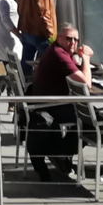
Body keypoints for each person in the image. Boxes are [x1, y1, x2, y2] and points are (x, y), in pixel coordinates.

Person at [27, 23, 91, 182]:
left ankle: (60, 152)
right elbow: (86, 84)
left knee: (89, 116)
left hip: (50, 102)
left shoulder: (60, 51)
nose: (73, 43)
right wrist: (86, 58)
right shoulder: (58, 54)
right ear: (59, 38)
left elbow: (76, 74)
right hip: (49, 106)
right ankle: (61, 152)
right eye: (69, 38)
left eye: (76, 40)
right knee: (92, 120)